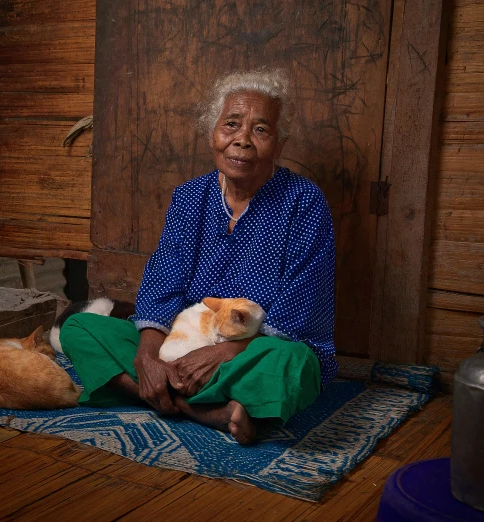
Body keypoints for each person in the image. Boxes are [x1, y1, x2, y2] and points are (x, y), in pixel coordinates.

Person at [60, 68, 338, 444]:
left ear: (280, 143)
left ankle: (162, 395)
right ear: (213, 134)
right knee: (80, 328)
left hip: (253, 349)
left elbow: (301, 312)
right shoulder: (190, 197)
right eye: (232, 125)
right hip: (183, 342)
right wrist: (149, 357)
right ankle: (204, 409)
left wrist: (223, 353)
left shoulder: (304, 203)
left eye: (260, 130)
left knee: (295, 363)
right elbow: (162, 282)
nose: (242, 141)